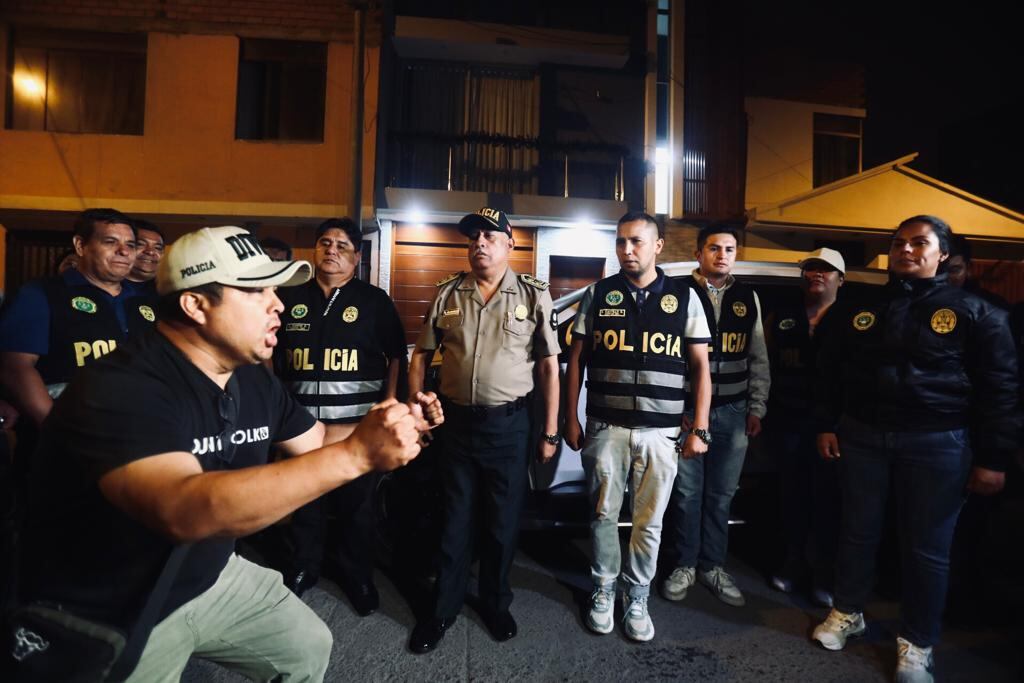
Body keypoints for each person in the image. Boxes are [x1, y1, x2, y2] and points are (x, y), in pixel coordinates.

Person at [6, 225, 441, 682]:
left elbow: (317, 440)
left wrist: (395, 425)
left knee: (306, 646)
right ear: (196, 304)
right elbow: (184, 510)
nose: (278, 304)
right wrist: (357, 456)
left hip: (208, 572)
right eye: (256, 291)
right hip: (117, 603)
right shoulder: (120, 387)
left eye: (275, 289)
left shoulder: (250, 378)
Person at [810, 216, 1019, 683]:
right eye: (898, 243)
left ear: (942, 254)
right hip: (863, 436)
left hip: (938, 443)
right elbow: (829, 371)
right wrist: (826, 424)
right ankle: (847, 612)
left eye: (919, 243)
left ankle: (918, 642)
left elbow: (1001, 390)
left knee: (927, 550)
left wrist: (994, 458)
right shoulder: (862, 306)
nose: (906, 250)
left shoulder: (978, 312)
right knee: (857, 533)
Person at [406, 207, 560, 654]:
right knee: (454, 520)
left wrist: (549, 432)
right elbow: (420, 357)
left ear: (511, 243)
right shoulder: (448, 293)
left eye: (490, 236)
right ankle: (443, 608)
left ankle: (495, 603)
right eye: (474, 237)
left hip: (509, 428)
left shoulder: (533, 295)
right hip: (456, 427)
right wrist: (418, 409)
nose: (479, 243)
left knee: (501, 524)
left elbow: (549, 367)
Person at [564, 211, 711, 641]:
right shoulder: (599, 294)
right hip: (605, 427)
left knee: (649, 522)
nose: (627, 250)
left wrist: (700, 427)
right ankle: (604, 588)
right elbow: (577, 359)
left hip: (661, 434)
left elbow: (701, 367)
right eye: (621, 241)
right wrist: (570, 417)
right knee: (602, 514)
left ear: (658, 246)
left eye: (637, 242)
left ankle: (638, 594)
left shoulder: (684, 297)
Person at [274, 218, 406, 614]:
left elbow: (396, 356)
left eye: (341, 245)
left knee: (356, 508)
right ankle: (304, 567)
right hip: (302, 430)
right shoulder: (290, 297)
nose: (331, 250)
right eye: (324, 243)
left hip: (356, 430)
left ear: (357, 256)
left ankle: (356, 575)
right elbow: (269, 354)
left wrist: (388, 405)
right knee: (304, 500)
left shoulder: (374, 301)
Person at [661, 223, 770, 607]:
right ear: (699, 253)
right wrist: (677, 409)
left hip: (734, 412)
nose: (722, 255)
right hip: (689, 414)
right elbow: (666, 355)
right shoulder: (678, 293)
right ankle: (685, 565)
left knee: (721, 496)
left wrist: (757, 406)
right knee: (687, 495)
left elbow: (758, 356)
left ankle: (712, 566)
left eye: (729, 249)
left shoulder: (747, 297)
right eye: (714, 248)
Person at [0, 208, 152, 425]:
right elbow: (16, 367)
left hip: (139, 428)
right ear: (80, 246)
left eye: (130, 245)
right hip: (70, 428)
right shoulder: (41, 294)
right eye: (110, 242)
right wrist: (56, 429)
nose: (123, 251)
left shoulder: (145, 303)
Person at [765, 248, 845, 607]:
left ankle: (824, 574)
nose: (817, 274)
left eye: (826, 270)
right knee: (793, 499)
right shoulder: (782, 316)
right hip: (789, 422)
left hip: (836, 429)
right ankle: (793, 563)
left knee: (829, 502)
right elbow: (764, 364)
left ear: (840, 279)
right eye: (811, 268)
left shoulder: (854, 319)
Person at [126, 219, 166, 295]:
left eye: (157, 248)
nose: (150, 252)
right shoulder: (107, 287)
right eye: (140, 244)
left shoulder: (170, 291)